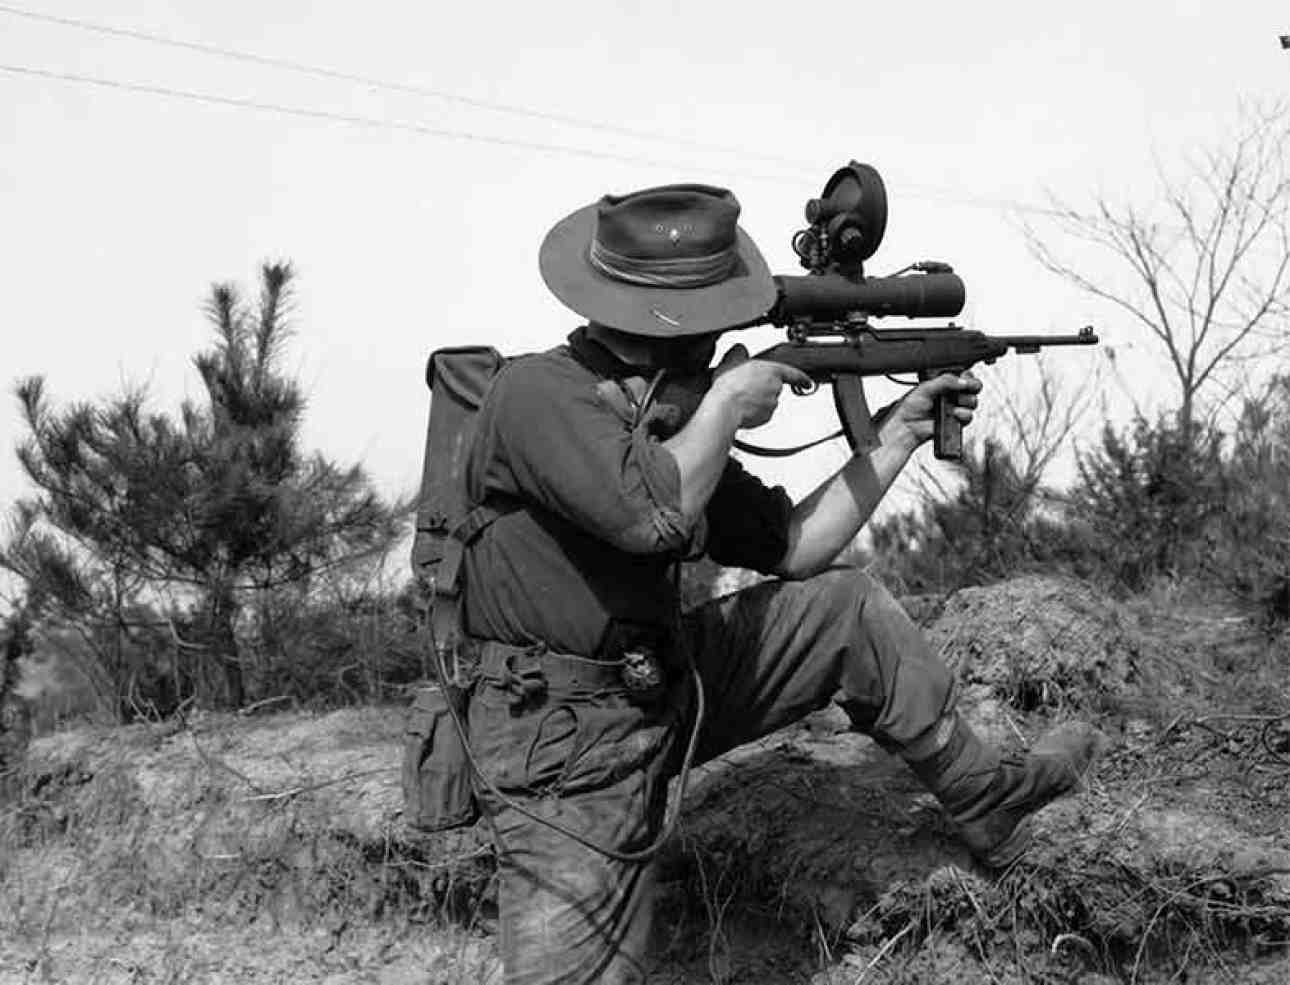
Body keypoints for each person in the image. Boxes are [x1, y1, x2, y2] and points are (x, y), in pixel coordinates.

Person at [459, 183, 1102, 985]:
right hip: (561, 749)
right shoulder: (536, 396)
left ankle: (985, 798)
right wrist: (727, 399)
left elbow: (796, 546)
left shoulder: (666, 420)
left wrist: (900, 431)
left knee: (845, 608)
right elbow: (649, 517)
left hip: (661, 684)